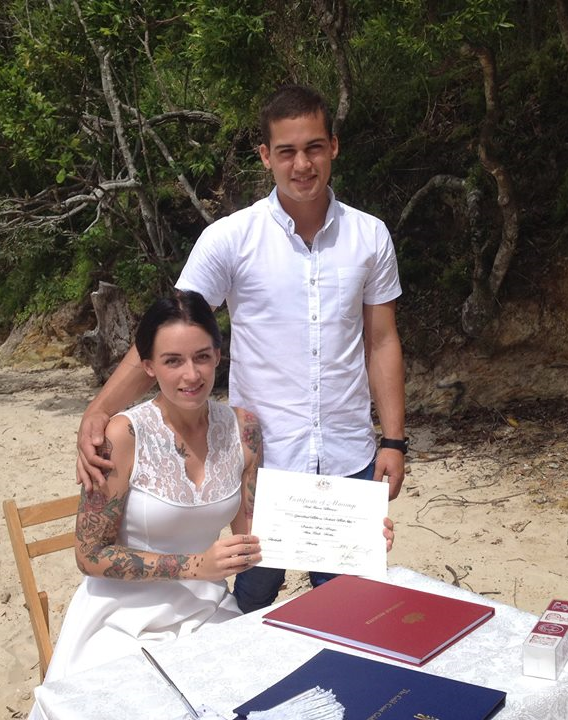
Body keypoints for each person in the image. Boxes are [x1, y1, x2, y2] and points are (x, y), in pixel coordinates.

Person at [76, 84, 406, 613]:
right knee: (250, 599)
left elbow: (382, 340)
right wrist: (99, 410)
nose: (302, 164)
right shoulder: (231, 239)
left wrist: (393, 440)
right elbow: (168, 335)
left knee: (350, 609)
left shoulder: (369, 236)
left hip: (349, 457)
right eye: (287, 151)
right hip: (261, 461)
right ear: (265, 156)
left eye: (314, 147)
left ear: (334, 146)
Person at [42, 291, 264, 684]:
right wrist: (196, 566)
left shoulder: (243, 428)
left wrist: (350, 533)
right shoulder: (123, 435)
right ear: (148, 366)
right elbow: (89, 555)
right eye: (172, 361)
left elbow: (253, 533)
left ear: (218, 355)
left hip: (208, 611)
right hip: (121, 620)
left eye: (201, 357)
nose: (191, 375)